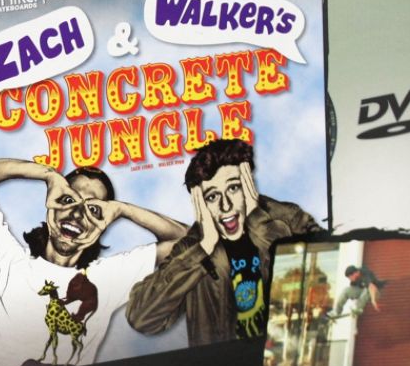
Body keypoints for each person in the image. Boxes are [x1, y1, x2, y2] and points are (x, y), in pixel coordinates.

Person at [0, 158, 187, 366]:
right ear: (52, 202)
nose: (78, 214)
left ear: (103, 224)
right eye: (68, 199)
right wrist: (48, 175)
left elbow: (188, 241)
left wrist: (122, 209)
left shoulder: (107, 279)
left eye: (94, 209)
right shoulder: (3, 258)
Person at [125, 139, 319, 346]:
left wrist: (260, 225)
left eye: (233, 188)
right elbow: (141, 318)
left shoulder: (289, 219)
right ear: (200, 203)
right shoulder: (192, 248)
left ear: (248, 183)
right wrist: (204, 249)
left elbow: (324, 278)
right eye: (212, 197)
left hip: (286, 355)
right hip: (225, 365)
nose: (225, 206)